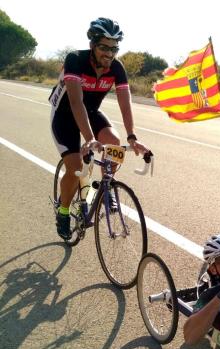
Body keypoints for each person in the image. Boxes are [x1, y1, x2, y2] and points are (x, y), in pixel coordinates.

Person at [49, 17, 150, 240]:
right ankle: (64, 211)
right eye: (104, 47)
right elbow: (76, 102)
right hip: (65, 116)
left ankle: (103, 188)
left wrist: (132, 137)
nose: (109, 53)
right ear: (92, 45)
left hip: (92, 113)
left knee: (114, 143)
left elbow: (125, 102)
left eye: (114, 48)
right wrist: (89, 138)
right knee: (75, 168)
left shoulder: (116, 67)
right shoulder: (75, 60)